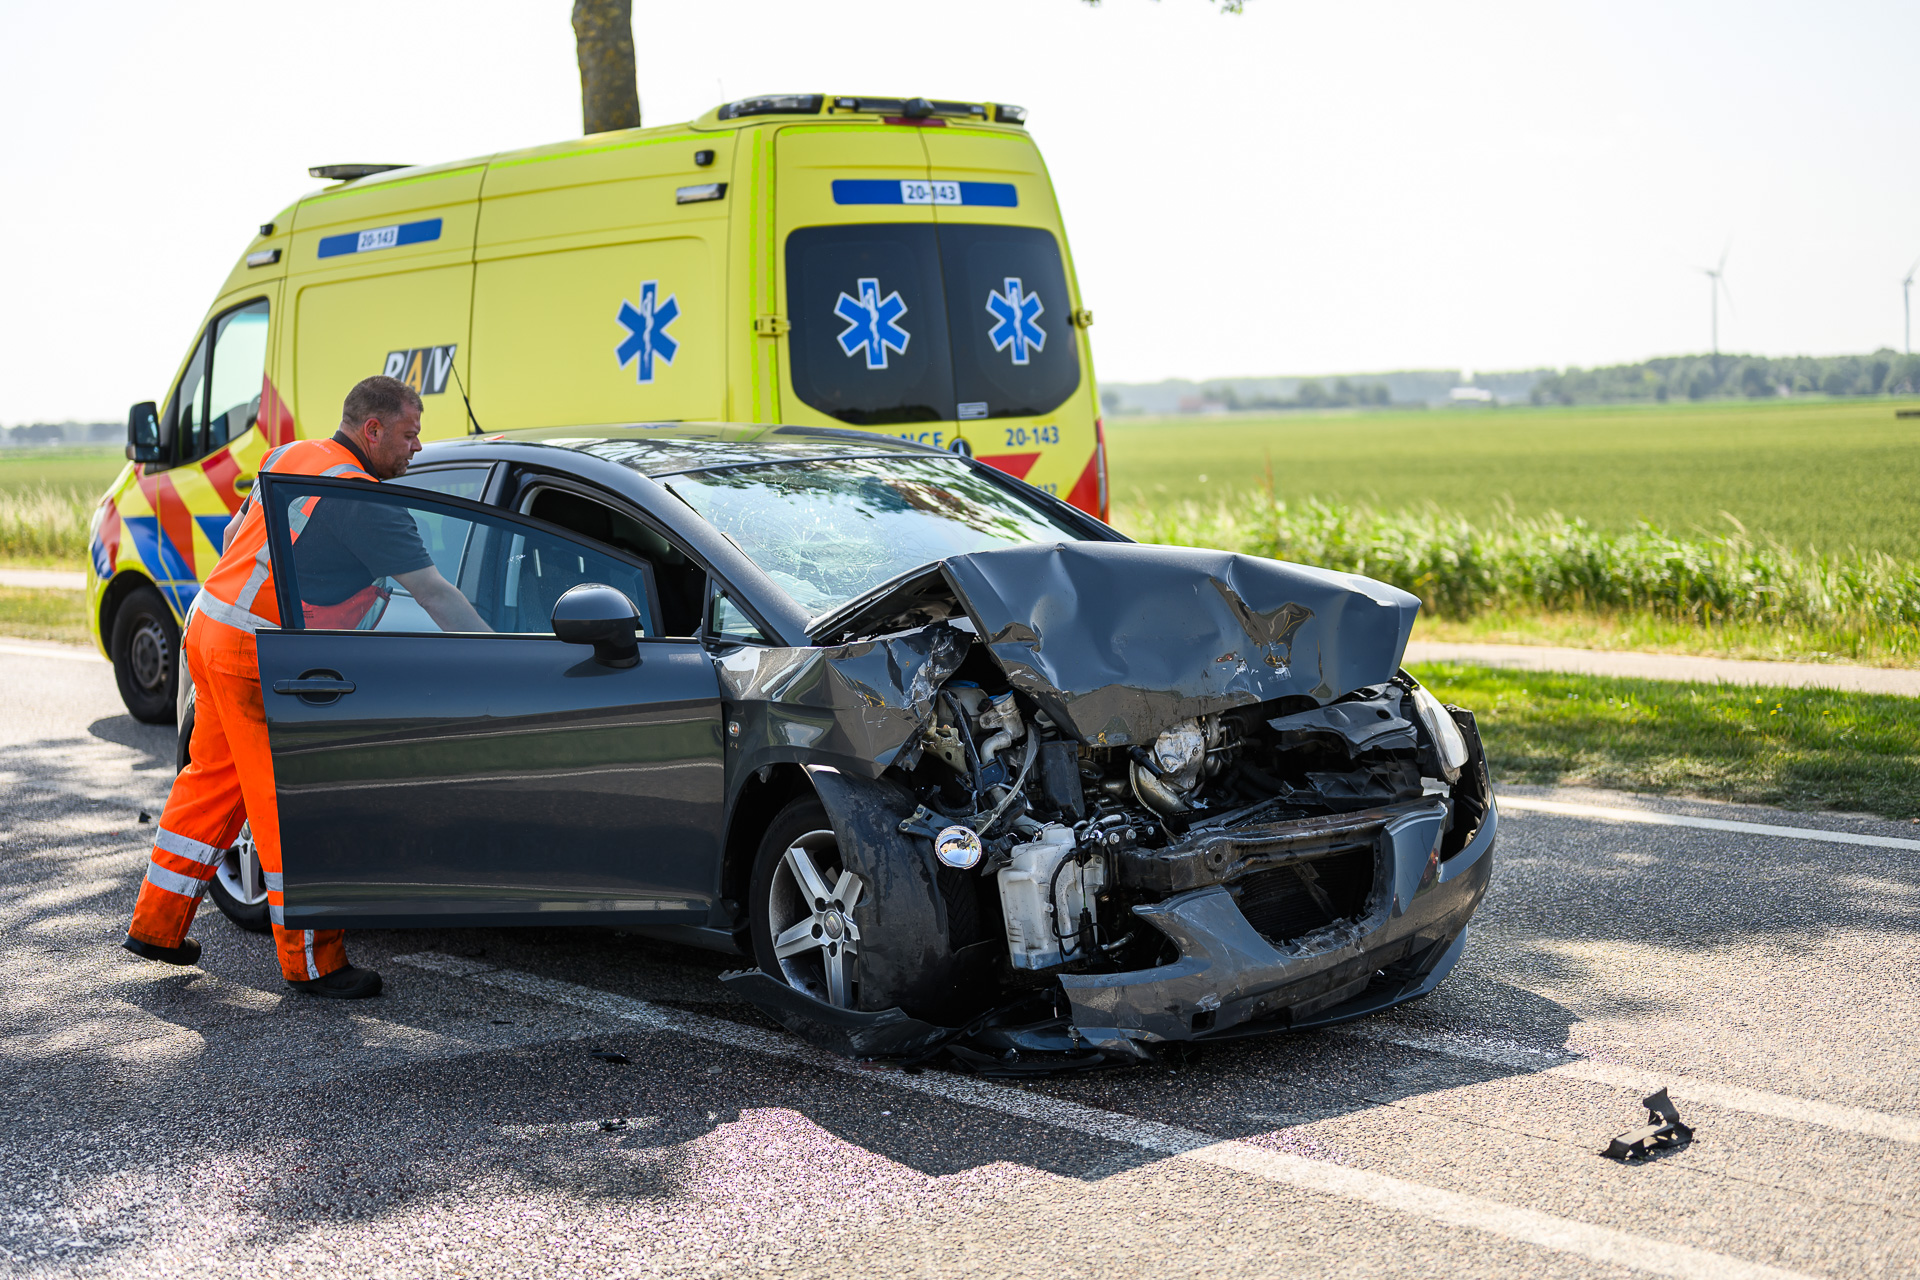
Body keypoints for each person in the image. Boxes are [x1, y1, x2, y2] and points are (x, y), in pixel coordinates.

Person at [122, 376, 486, 997]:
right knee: (290, 806)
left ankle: (156, 926)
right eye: (408, 434)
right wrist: (498, 655)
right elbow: (435, 594)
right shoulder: (364, 500)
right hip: (255, 652)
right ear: (371, 430)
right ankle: (313, 963)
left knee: (210, 782)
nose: (416, 448)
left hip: (211, 626)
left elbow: (238, 538)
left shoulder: (289, 456)